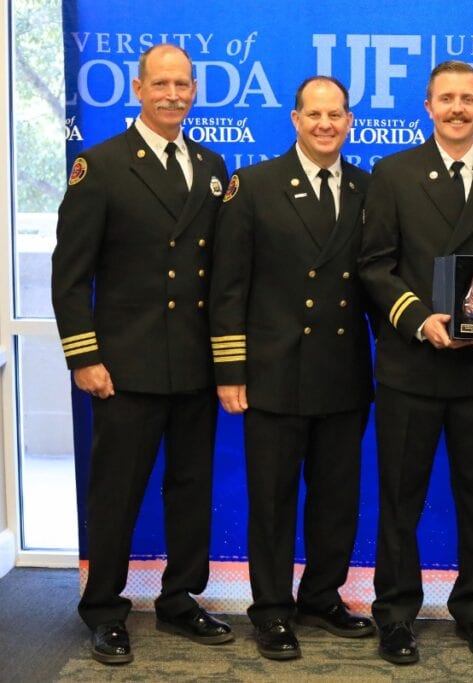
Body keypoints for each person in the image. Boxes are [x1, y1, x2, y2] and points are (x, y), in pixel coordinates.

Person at [51, 44, 232, 665]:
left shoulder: (211, 166)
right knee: (117, 494)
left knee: (189, 489)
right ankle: (103, 608)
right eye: (162, 83)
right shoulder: (99, 166)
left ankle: (180, 598)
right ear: (138, 88)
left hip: (193, 364)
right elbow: (69, 276)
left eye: (184, 84)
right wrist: (84, 356)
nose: (174, 94)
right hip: (122, 369)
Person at [358, 61, 473, 665]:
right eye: (447, 99)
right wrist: (418, 318)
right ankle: (396, 613)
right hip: (411, 367)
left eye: (469, 99)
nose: (458, 108)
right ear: (428, 106)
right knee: (401, 498)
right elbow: (375, 264)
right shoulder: (394, 173)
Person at [209, 76, 375, 660]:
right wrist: (231, 370)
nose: (326, 124)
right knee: (273, 501)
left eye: (336, 114)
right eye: (315, 114)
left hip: (343, 372)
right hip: (273, 373)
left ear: (349, 121)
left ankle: (322, 597)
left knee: (337, 498)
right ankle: (273, 610)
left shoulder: (366, 188)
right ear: (295, 118)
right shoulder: (252, 186)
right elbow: (228, 286)